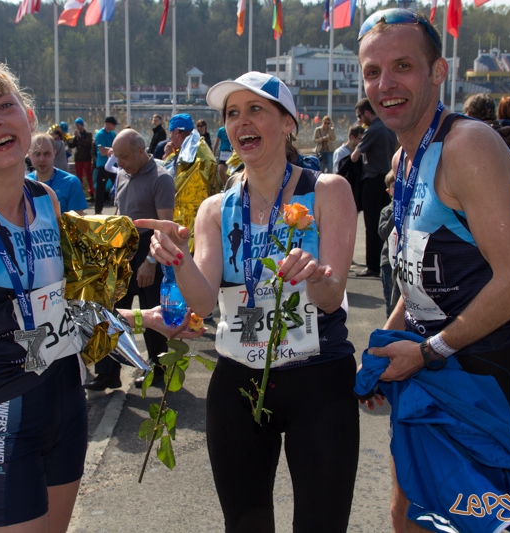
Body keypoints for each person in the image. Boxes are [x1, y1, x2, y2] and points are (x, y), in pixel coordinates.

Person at [0, 60, 200, 533]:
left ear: (28, 116)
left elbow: (63, 312)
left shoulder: (45, 199)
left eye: (4, 107)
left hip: (65, 406)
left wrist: (145, 318)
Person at [138, 71, 359, 533]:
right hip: (239, 381)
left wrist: (313, 275)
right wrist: (177, 260)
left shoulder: (327, 191)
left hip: (317, 380)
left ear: (288, 123)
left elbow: (332, 296)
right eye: (232, 114)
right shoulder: (215, 208)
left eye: (256, 109)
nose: (242, 123)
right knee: (246, 526)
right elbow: (202, 300)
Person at [357, 9, 510, 532]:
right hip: (429, 358)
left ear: (439, 71)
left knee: (461, 519)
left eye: (403, 66)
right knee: (412, 510)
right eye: (372, 72)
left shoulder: (468, 146)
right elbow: (416, 273)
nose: (385, 84)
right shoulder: (405, 158)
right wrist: (387, 344)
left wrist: (426, 352)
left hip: (480, 364)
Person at [86, 128, 176, 391]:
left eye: (123, 157)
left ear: (140, 151)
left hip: (149, 247)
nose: (119, 163)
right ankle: (107, 372)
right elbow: (119, 209)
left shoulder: (161, 178)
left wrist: (150, 260)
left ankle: (158, 369)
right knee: (110, 310)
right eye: (117, 157)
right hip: (122, 246)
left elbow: (165, 225)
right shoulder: (124, 172)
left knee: (152, 314)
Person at [351, 97, 398, 278]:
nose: (359, 121)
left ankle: (372, 266)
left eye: (360, 116)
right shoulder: (388, 128)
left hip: (371, 181)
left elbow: (355, 156)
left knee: (371, 225)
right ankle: (384, 260)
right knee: (385, 224)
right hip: (386, 180)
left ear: (368, 112)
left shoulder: (372, 130)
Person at [162, 113, 219, 251]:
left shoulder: (190, 155)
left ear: (176, 132)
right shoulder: (199, 148)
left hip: (187, 224)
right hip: (204, 222)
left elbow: (172, 182)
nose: (170, 138)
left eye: (171, 133)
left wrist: (169, 157)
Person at [27, 133, 88, 215]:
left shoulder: (71, 183)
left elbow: (75, 223)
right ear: (29, 155)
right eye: (37, 154)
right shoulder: (23, 185)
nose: (41, 159)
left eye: (46, 153)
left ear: (54, 154)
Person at [377, 170, 397, 316]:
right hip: (388, 263)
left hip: (406, 263)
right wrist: (396, 212)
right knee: (392, 302)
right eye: (395, 186)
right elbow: (383, 233)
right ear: (388, 191)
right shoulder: (387, 211)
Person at [94, 116, 118, 214]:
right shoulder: (100, 134)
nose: (115, 126)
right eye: (113, 124)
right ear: (107, 123)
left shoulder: (113, 134)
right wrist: (112, 149)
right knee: (100, 188)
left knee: (118, 186)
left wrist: (113, 149)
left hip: (114, 164)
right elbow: (102, 151)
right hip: (103, 165)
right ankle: (98, 211)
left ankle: (119, 209)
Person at [68, 117, 95, 201]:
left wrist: (79, 136)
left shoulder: (88, 134)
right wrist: (72, 138)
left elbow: (86, 143)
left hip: (86, 158)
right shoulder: (77, 135)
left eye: (78, 125)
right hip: (78, 159)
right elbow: (72, 145)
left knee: (88, 176)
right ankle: (80, 194)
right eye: (76, 125)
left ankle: (92, 193)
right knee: (78, 177)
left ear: (82, 125)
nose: (77, 127)